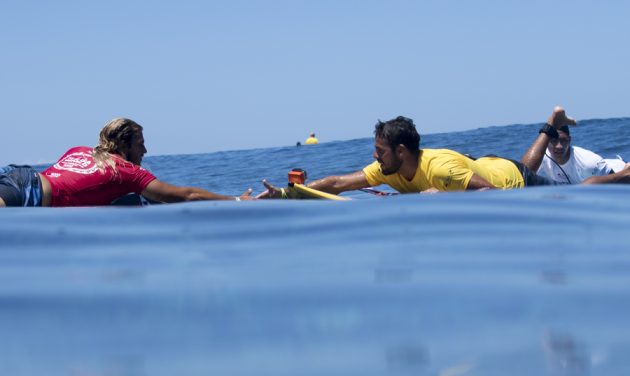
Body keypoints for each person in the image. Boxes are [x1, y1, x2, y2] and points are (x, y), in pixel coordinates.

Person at [259, 115, 630, 198]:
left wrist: (440, 201)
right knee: (522, 162)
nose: (374, 158)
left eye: (379, 151)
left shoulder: (441, 170)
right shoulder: (389, 169)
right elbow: (339, 183)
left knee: (580, 190)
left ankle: (621, 175)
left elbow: (492, 196)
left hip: (507, 180)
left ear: (400, 152)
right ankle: (549, 123)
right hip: (485, 164)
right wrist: (292, 192)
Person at [0, 118, 252, 207]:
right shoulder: (126, 171)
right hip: (26, 193)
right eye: (140, 143)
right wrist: (238, 200)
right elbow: (186, 195)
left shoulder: (79, 150)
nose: (145, 150)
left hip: (17, 175)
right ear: (124, 144)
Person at [521, 106, 621, 184]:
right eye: (554, 141)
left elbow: (616, 180)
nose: (559, 146)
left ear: (569, 140)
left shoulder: (588, 162)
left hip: (618, 170)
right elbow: (521, 175)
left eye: (563, 141)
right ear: (546, 142)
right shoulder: (541, 157)